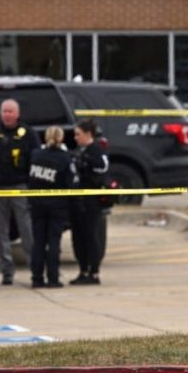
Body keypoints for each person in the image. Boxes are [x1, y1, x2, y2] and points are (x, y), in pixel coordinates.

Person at [0, 99, 39, 286]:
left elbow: (36, 156)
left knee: (26, 229)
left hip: (20, 186)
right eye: (4, 111)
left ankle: (35, 268)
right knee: (0, 230)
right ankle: (6, 271)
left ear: (17, 114)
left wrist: (29, 179)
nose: (7, 114)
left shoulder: (28, 134)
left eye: (10, 111)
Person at [27, 126, 73, 289]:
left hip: (37, 203)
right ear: (61, 138)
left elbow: (30, 179)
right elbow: (69, 183)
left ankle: (36, 278)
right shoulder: (65, 158)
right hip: (57, 205)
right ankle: (53, 278)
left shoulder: (35, 155)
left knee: (38, 242)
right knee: (54, 242)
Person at [70, 119, 109, 285]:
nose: (75, 137)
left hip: (90, 201)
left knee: (91, 236)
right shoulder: (80, 151)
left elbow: (103, 168)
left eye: (78, 134)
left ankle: (93, 272)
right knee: (78, 238)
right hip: (77, 201)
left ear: (88, 134)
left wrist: (86, 165)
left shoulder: (96, 150)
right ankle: (82, 270)